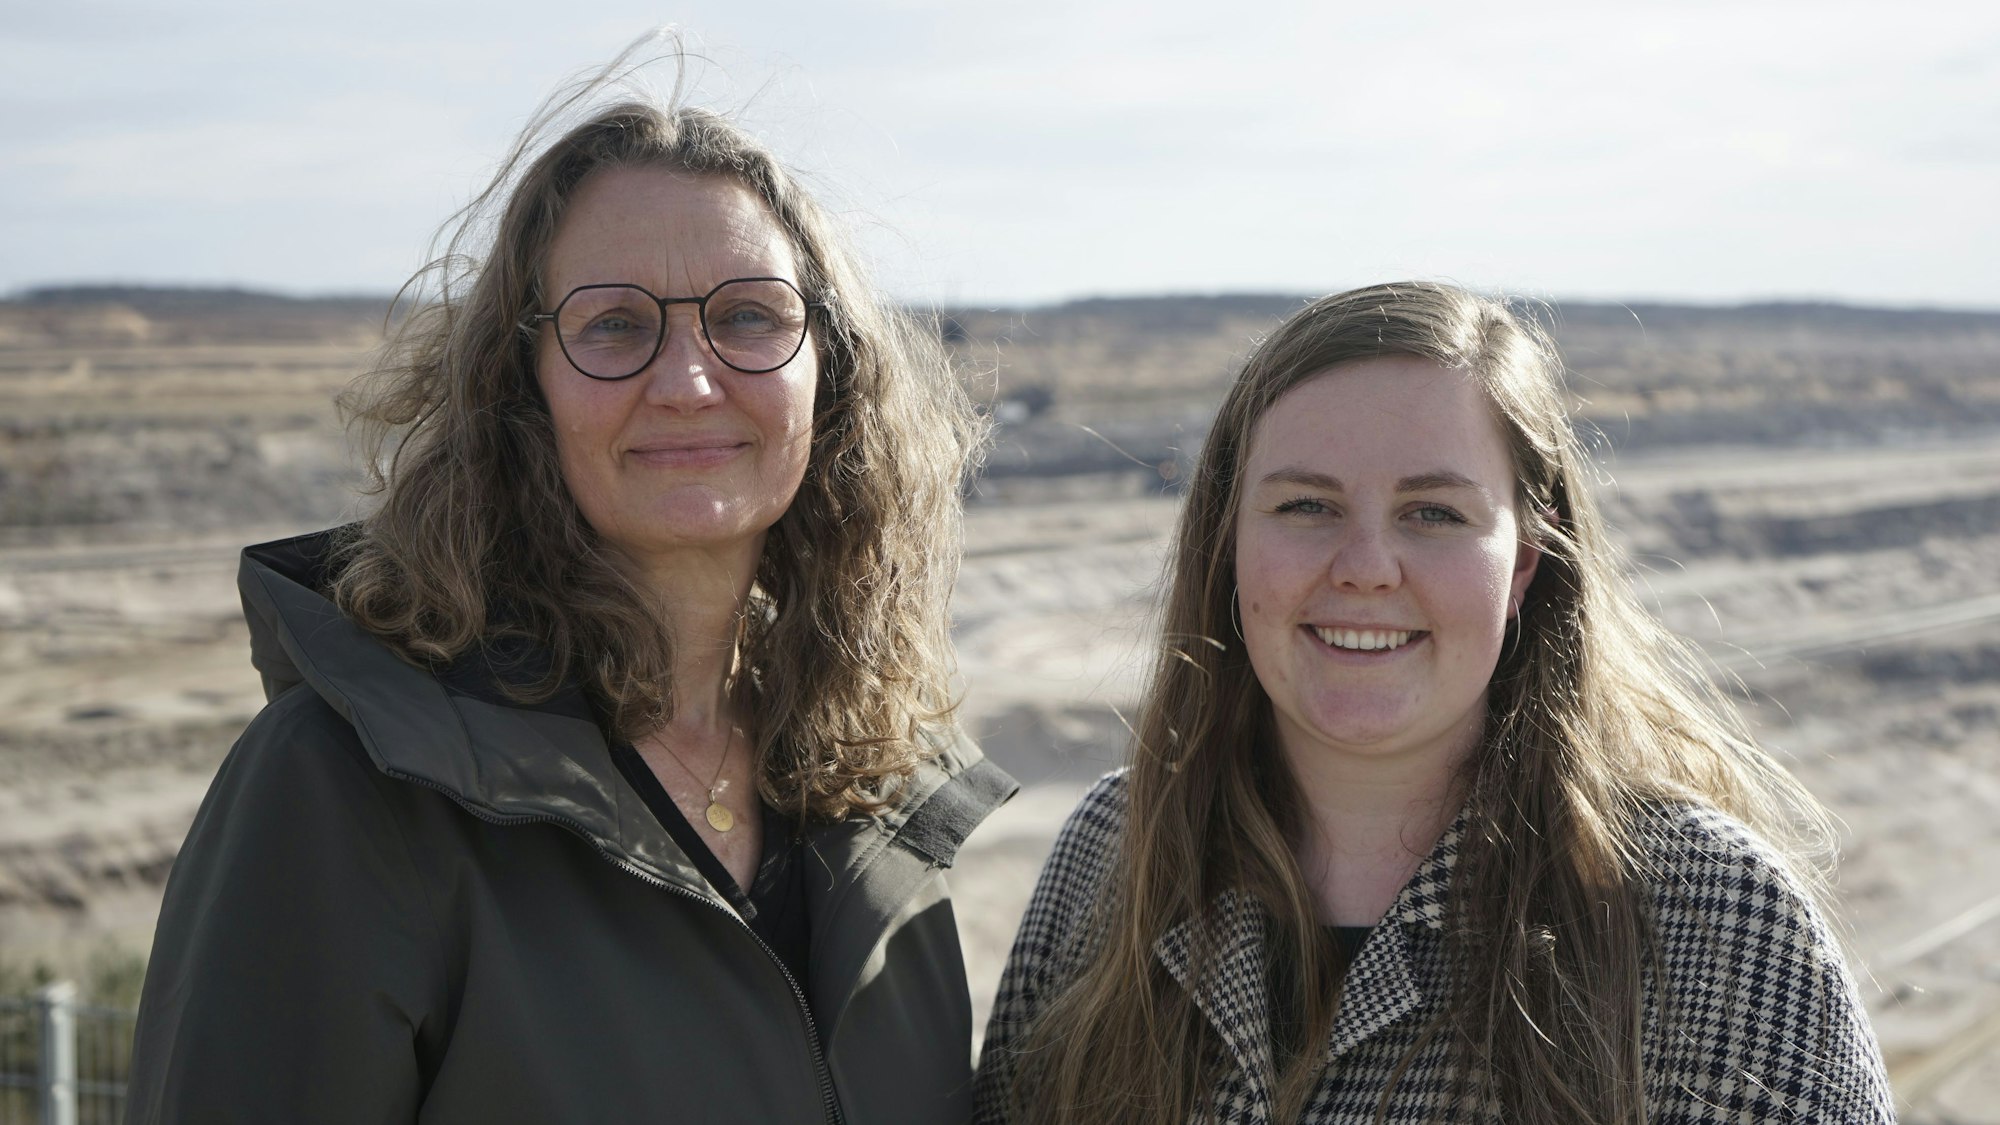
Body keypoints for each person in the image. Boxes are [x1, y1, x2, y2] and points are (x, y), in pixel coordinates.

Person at [126, 46, 1014, 1125]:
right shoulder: (340, 791)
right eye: (613, 326)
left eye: (746, 315)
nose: (688, 382)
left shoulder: (878, 789)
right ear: (521, 388)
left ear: (827, 370)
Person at [975, 282, 1893, 1124]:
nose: (1367, 568)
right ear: (1228, 545)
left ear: (1525, 565)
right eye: (1305, 506)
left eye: (1435, 513)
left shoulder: (1711, 923)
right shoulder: (1112, 856)